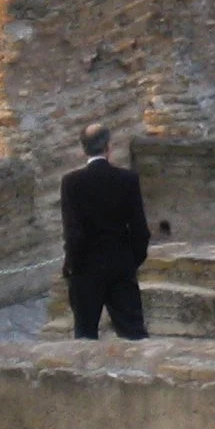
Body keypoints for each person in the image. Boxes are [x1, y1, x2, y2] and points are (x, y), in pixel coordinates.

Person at [59, 123, 151, 342]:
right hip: (120, 263)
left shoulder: (71, 183)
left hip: (86, 267)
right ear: (108, 147)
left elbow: (73, 233)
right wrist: (131, 261)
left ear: (84, 149)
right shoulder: (127, 179)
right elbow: (140, 230)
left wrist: (72, 265)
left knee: (85, 334)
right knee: (133, 333)